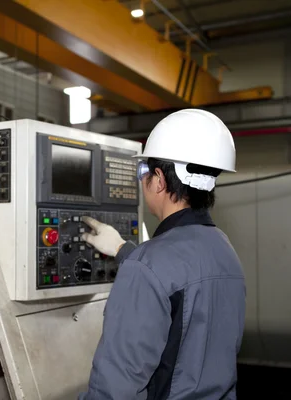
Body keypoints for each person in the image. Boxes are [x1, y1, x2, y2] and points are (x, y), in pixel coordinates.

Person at [78, 109, 246, 400]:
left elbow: (116, 388)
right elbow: (182, 288)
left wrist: (136, 262)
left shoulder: (148, 266)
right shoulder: (224, 250)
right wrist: (122, 250)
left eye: (144, 172)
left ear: (158, 179)